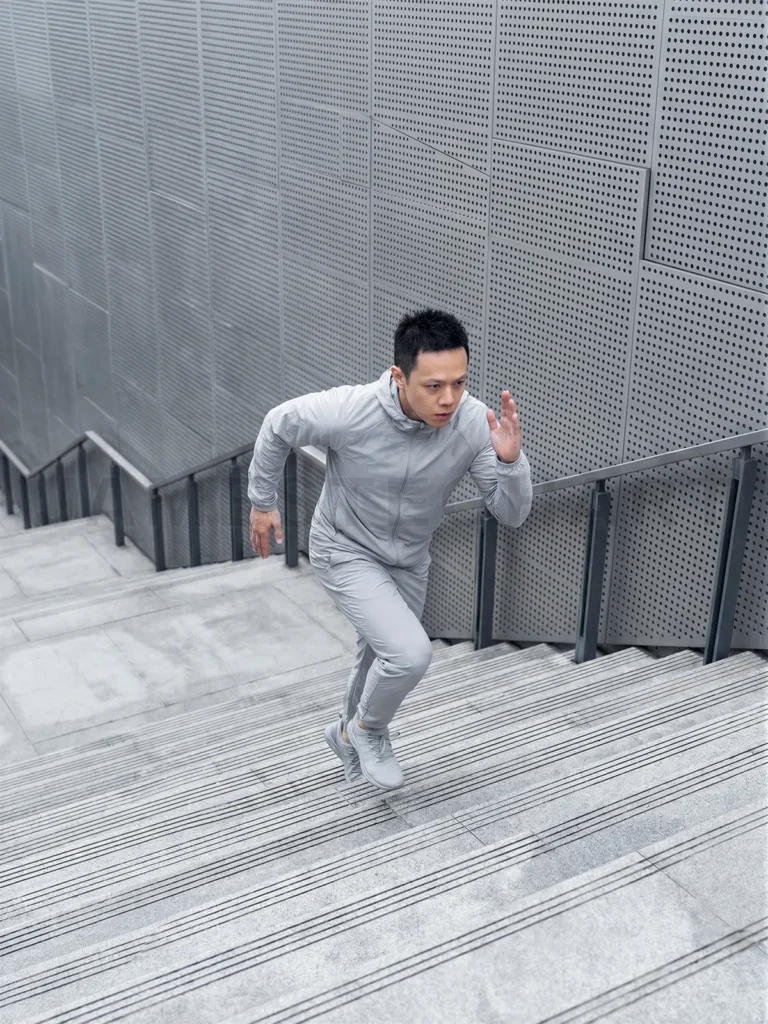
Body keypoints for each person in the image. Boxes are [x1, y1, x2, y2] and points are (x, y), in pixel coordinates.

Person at [247, 309, 532, 793]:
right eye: (434, 385)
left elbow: (512, 513)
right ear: (399, 376)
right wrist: (261, 502)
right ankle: (368, 730)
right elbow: (279, 424)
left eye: (459, 383)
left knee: (377, 655)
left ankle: (343, 732)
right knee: (408, 654)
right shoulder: (352, 410)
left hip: (410, 559)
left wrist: (509, 463)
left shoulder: (472, 424)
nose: (449, 399)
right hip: (344, 546)